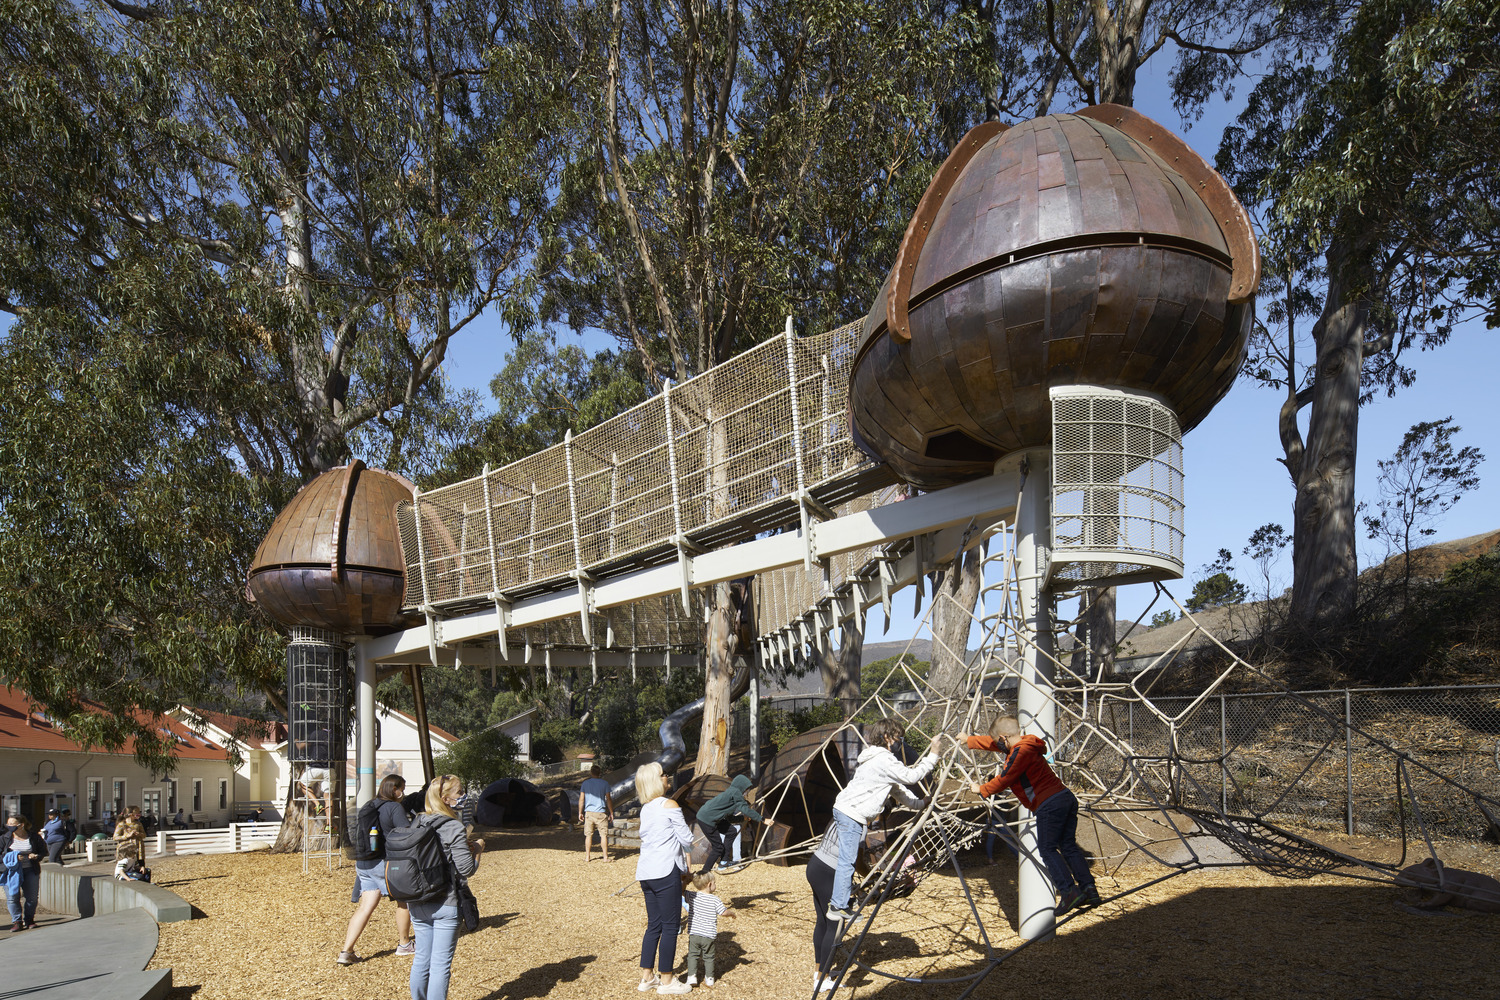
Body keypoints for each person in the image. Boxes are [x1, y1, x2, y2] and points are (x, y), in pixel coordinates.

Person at [967, 715, 1099, 913]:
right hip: (1064, 798)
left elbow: (1005, 778)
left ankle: (1069, 891)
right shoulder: (1025, 745)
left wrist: (982, 789)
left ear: (1004, 738)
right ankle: (1089, 888)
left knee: (1047, 848)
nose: (998, 746)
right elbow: (994, 743)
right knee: (1068, 846)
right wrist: (968, 740)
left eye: (998, 742)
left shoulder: (1020, 753)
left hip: (1049, 802)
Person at [824, 719, 941, 921]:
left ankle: (842, 898)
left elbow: (900, 793)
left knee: (850, 858)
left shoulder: (875, 761)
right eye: (899, 738)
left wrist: (921, 804)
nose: (900, 743)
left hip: (848, 811)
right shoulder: (883, 760)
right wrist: (933, 754)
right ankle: (838, 906)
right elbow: (912, 777)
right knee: (848, 860)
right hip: (851, 813)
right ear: (887, 738)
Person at [408, 774, 482, 1000]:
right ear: (445, 798)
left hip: (418, 899)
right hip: (446, 901)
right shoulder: (453, 826)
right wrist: (477, 850)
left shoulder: (418, 821)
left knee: (422, 958)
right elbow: (466, 869)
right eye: (459, 793)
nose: (463, 796)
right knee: (440, 964)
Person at [338, 774, 415, 966]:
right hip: (383, 862)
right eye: (401, 788)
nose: (403, 793)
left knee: (365, 907)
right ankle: (404, 944)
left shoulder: (369, 805)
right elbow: (406, 834)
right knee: (403, 901)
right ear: (394, 789)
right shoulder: (394, 807)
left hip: (364, 863)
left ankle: (346, 952)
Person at [634, 761, 692, 995]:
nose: (667, 777)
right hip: (665, 871)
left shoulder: (646, 808)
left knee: (654, 925)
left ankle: (647, 977)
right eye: (663, 774)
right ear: (655, 781)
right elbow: (687, 839)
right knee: (670, 926)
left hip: (646, 872)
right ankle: (667, 980)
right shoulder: (669, 804)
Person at [805, 814, 852, 994]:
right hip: (829, 872)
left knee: (823, 922)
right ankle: (821, 980)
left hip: (815, 864)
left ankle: (819, 970)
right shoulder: (859, 826)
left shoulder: (839, 815)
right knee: (835, 924)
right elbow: (857, 859)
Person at [693, 775, 769, 875]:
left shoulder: (731, 794)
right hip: (707, 819)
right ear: (741, 787)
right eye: (746, 789)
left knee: (731, 831)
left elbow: (729, 817)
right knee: (718, 847)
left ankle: (724, 862)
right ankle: (704, 873)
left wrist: (743, 818)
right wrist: (762, 819)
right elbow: (745, 809)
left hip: (714, 817)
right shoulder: (736, 792)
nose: (746, 792)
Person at [682, 871, 736, 988]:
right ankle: (709, 978)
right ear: (709, 884)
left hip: (694, 933)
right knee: (709, 957)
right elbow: (723, 912)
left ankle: (691, 977)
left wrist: (686, 881)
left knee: (692, 955)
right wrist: (731, 913)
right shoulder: (715, 900)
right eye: (715, 882)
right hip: (708, 935)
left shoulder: (692, 896)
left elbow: (681, 891)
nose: (715, 884)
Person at [5, 816, 47, 930]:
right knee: (12, 897)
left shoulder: (34, 837)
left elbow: (43, 851)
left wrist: (36, 856)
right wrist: (13, 857)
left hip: (30, 870)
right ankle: (17, 921)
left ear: (21, 825)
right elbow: (1, 855)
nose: (9, 826)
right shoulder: (5, 838)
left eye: (12, 824)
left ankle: (29, 920)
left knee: (32, 897)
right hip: (11, 872)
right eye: (8, 824)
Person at [578, 764, 614, 862]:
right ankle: (605, 857)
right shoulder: (605, 783)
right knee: (603, 835)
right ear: (600, 773)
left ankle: (587, 857)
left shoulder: (585, 783)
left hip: (589, 812)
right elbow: (608, 799)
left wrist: (580, 812)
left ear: (591, 772)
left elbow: (581, 799)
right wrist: (611, 812)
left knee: (588, 835)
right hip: (601, 813)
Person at [113, 807, 146, 880]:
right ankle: (126, 877)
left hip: (138, 847)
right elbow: (115, 837)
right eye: (137, 813)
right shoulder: (122, 824)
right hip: (126, 849)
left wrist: (139, 834)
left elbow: (144, 835)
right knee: (125, 864)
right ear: (131, 814)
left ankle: (141, 879)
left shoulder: (138, 824)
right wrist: (127, 836)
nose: (139, 814)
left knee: (139, 864)